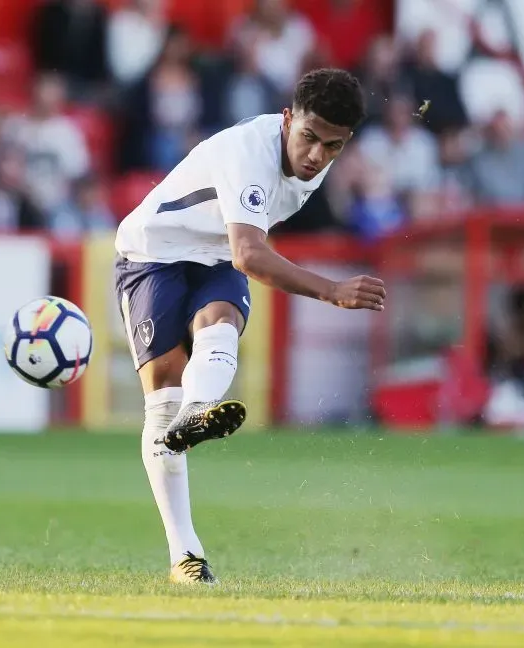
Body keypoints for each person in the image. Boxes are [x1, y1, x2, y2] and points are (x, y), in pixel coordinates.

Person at [114, 68, 384, 584]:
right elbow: (250, 254)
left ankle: (194, 418)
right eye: (308, 138)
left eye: (333, 146)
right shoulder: (248, 152)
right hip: (154, 252)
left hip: (215, 254)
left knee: (220, 323)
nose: (316, 156)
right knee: (163, 392)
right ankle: (184, 551)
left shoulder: (319, 158)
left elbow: (238, 251)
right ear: (287, 119)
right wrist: (330, 290)